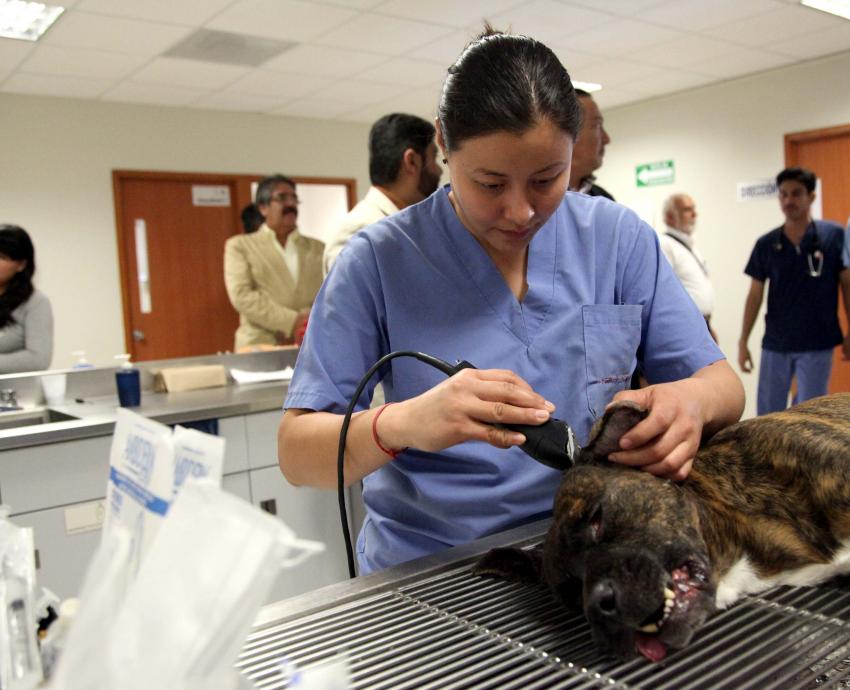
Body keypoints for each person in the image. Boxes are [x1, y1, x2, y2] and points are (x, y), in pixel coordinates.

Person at [278, 28, 744, 575]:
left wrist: (689, 403)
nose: (521, 212)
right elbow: (296, 452)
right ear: (443, 147)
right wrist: (400, 424)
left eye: (547, 179)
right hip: (434, 573)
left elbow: (722, 386)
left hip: (592, 555)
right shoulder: (379, 261)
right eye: (491, 184)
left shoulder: (615, 240)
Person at [738, 167, 850, 415]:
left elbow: (847, 286)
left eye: (796, 194)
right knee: (768, 417)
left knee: (811, 416)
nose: (789, 200)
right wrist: (743, 340)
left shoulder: (833, 236)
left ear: (811, 196)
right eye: (784, 194)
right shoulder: (767, 243)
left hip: (817, 342)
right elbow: (755, 295)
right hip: (776, 343)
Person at [323, 113, 442, 275]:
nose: (439, 170)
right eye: (434, 158)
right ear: (412, 161)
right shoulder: (359, 232)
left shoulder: (415, 224)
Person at [224, 175, 323, 351]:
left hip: (309, 344)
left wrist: (308, 320)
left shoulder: (317, 248)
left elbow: (328, 293)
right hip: (259, 345)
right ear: (263, 208)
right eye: (282, 198)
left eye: (294, 198)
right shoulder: (240, 246)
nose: (291, 204)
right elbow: (242, 296)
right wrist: (292, 320)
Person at [659, 193, 718, 342]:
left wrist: (708, 327)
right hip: (685, 328)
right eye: (686, 210)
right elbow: (664, 293)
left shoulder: (687, 244)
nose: (694, 214)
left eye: (693, 209)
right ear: (670, 217)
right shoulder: (664, 244)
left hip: (702, 324)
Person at [0, 225, 53, 373]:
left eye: (2, 257)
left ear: (21, 265)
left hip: (13, 393)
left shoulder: (36, 302)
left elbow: (38, 360)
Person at [568, 89, 613, 200]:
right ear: (568, 132)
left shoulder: (604, 199)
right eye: (597, 126)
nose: (607, 139)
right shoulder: (532, 202)